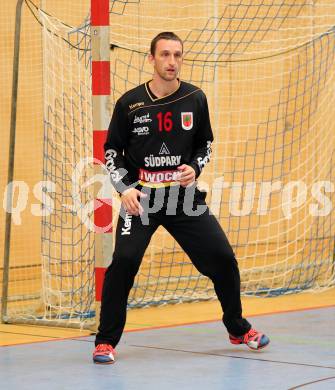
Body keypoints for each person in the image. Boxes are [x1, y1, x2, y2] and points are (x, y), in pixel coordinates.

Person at [93, 32, 269, 364]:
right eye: (165, 55)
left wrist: (194, 167)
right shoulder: (129, 103)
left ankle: (237, 327)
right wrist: (125, 188)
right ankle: (105, 341)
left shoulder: (195, 98)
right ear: (152, 59)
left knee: (223, 258)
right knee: (124, 263)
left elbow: (205, 145)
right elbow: (111, 152)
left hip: (183, 198)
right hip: (141, 200)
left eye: (177, 55)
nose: (172, 62)